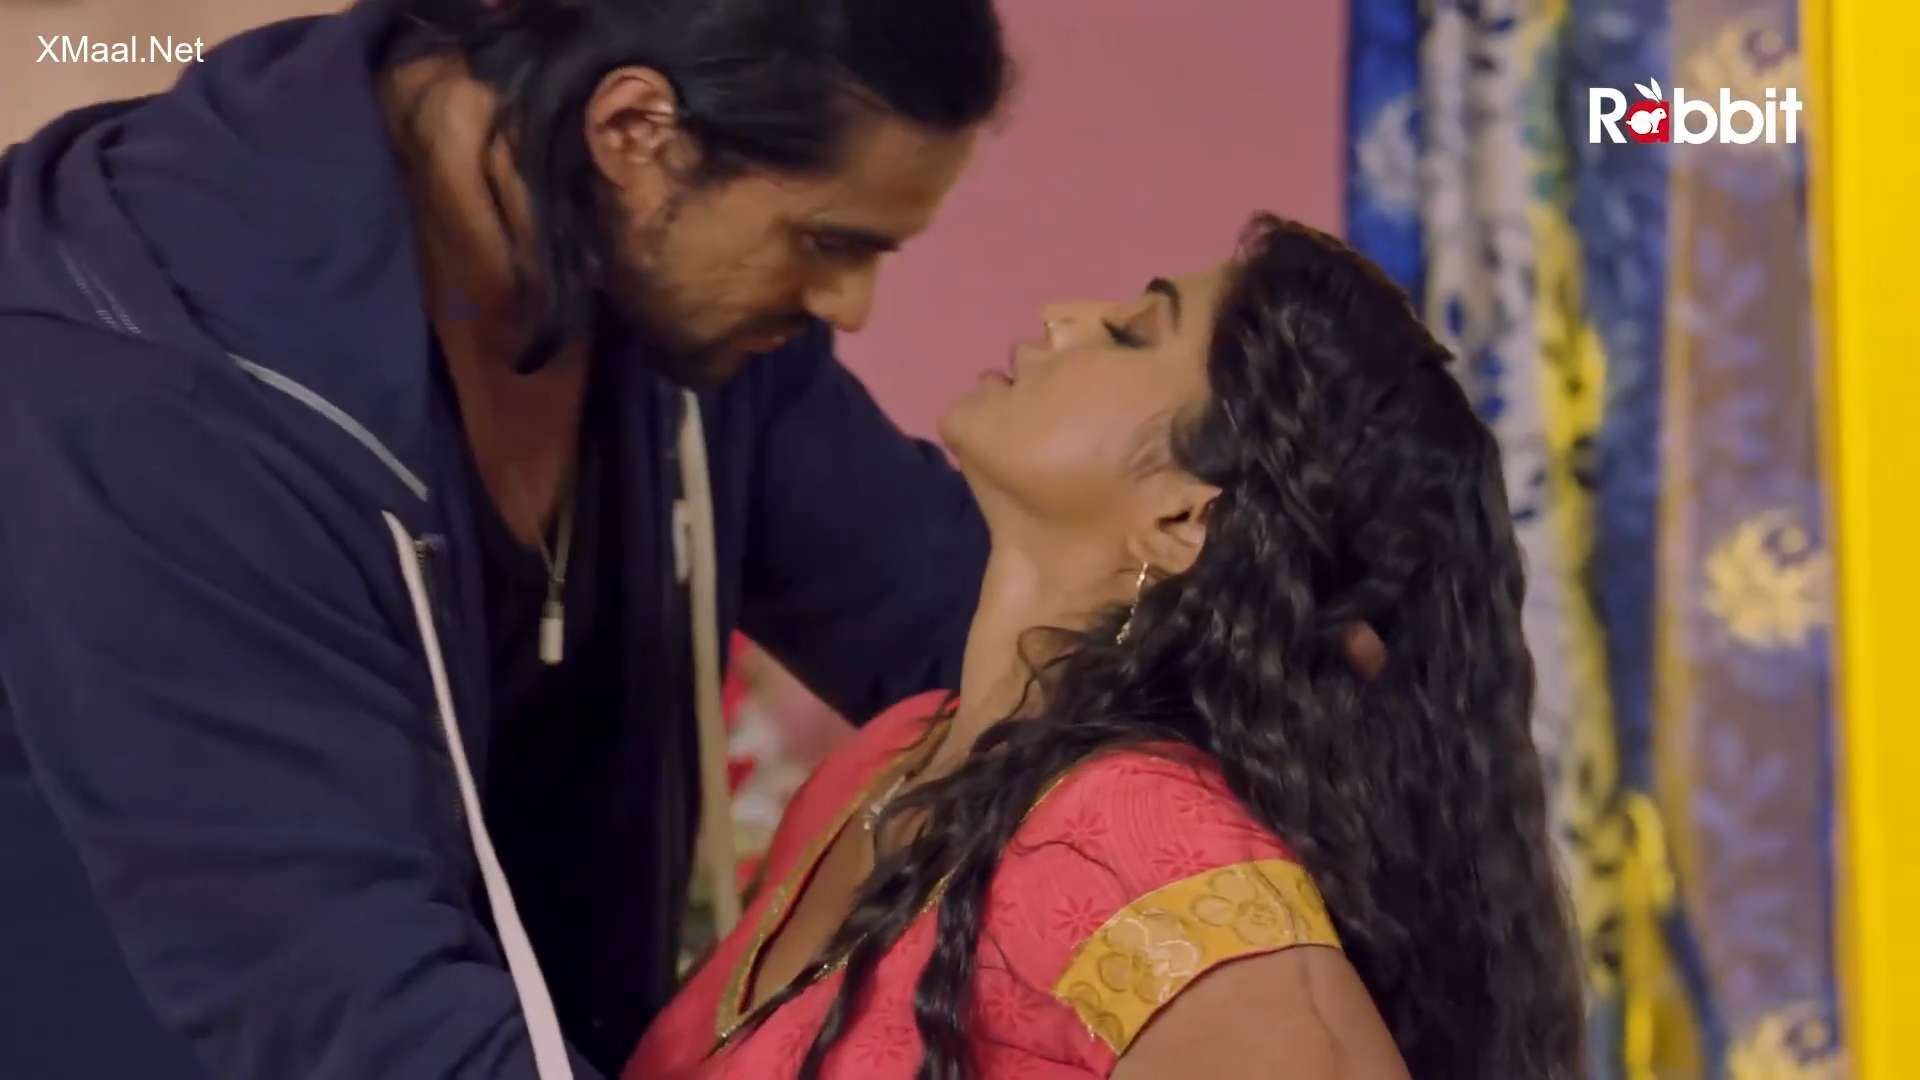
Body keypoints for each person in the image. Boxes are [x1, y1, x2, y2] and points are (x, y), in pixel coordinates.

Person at [0, 1, 1006, 1077]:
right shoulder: (158, 379)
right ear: (634, 130)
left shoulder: (659, 283)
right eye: (827, 242)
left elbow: (966, 619)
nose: (849, 305)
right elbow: (342, 998)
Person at [627, 216, 1589, 1079]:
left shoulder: (1137, 834)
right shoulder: (889, 756)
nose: (1064, 317)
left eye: (1131, 333)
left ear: (1181, 519)